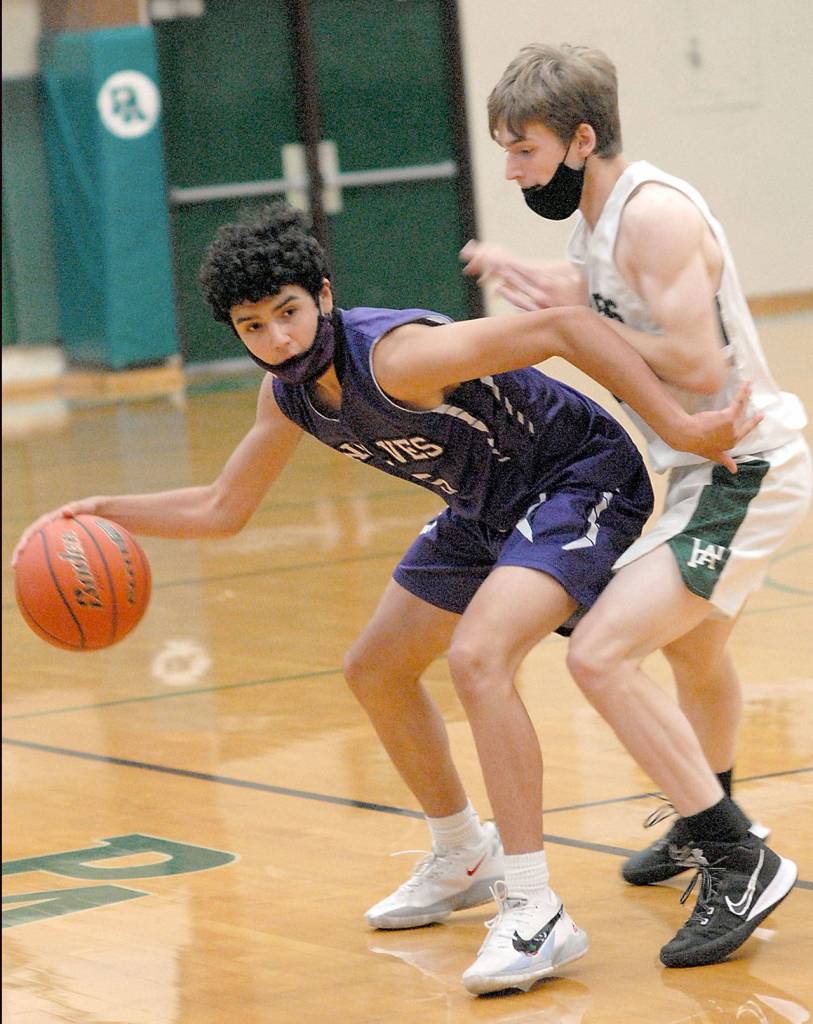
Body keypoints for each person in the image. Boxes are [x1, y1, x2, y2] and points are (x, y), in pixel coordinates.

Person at [13, 204, 756, 995]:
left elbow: (565, 328)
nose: (278, 341)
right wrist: (101, 511)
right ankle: (462, 853)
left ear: (324, 296)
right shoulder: (287, 395)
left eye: (289, 314)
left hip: (575, 478)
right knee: (376, 667)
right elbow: (221, 509)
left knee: (479, 660)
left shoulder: (399, 356)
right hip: (484, 505)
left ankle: (535, 909)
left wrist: (681, 425)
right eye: (252, 327)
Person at [461, 43, 811, 970]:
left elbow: (696, 367)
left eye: (524, 150)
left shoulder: (651, 215)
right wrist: (559, 288)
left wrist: (576, 330)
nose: (511, 170)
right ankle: (711, 815)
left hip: (746, 465)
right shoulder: (597, 226)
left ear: (581, 139)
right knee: (695, 653)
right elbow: (622, 310)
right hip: (704, 471)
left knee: (603, 653)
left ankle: (738, 856)